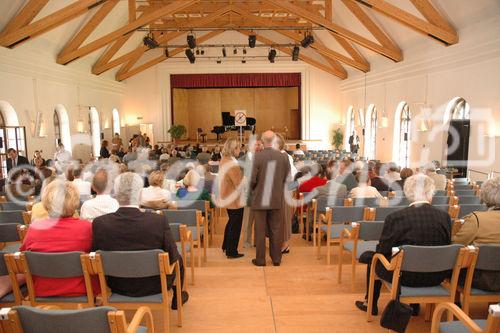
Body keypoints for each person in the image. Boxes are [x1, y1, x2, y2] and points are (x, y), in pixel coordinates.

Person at [355, 174, 452, 315]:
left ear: (408, 193)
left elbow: (383, 250)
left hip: (404, 276)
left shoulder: (396, 218)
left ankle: (370, 304)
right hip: (436, 275)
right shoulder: (445, 217)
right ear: (431, 194)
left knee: (375, 259)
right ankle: (414, 306)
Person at [92, 172, 188, 308]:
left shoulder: (100, 223)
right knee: (178, 258)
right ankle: (177, 299)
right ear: (140, 194)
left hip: (117, 284)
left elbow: (94, 255)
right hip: (155, 284)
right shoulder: (158, 221)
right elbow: (172, 256)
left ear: (116, 194)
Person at [20, 180, 99, 297]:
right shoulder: (87, 227)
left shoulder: (34, 229)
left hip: (42, 290)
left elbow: (23, 260)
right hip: (84, 290)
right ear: (75, 201)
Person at [250, 130, 290, 267]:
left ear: (262, 141)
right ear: (274, 141)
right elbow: (287, 178)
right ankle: (276, 259)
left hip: (260, 198)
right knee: (276, 229)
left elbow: (252, 179)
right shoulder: (283, 157)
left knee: (260, 231)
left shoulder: (257, 157)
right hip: (276, 198)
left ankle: (260, 260)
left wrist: (253, 190)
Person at [452, 177, 500, 291]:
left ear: (484, 196)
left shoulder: (477, 219)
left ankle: (457, 304)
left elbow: (456, 244)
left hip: (481, 278)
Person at [218, 138, 245, 259]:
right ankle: (231, 251)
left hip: (227, 195)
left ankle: (226, 246)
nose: (240, 150)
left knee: (231, 222)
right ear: (233, 149)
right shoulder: (232, 163)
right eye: (239, 148)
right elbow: (238, 184)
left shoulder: (225, 159)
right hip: (234, 198)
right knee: (235, 224)